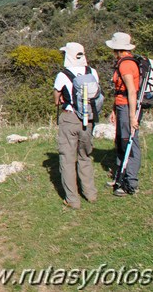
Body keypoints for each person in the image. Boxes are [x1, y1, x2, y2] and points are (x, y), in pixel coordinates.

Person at [53, 42, 98, 209]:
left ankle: (72, 199)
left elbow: (56, 99)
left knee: (67, 159)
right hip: (88, 119)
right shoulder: (92, 72)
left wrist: (63, 98)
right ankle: (90, 193)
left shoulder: (63, 75)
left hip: (70, 118)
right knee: (85, 156)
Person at [105, 32, 141, 196]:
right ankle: (119, 176)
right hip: (121, 107)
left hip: (127, 108)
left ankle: (130, 183)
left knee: (130, 144)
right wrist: (114, 109)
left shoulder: (125, 65)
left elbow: (131, 91)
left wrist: (132, 116)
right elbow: (120, 91)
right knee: (120, 142)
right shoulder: (122, 62)